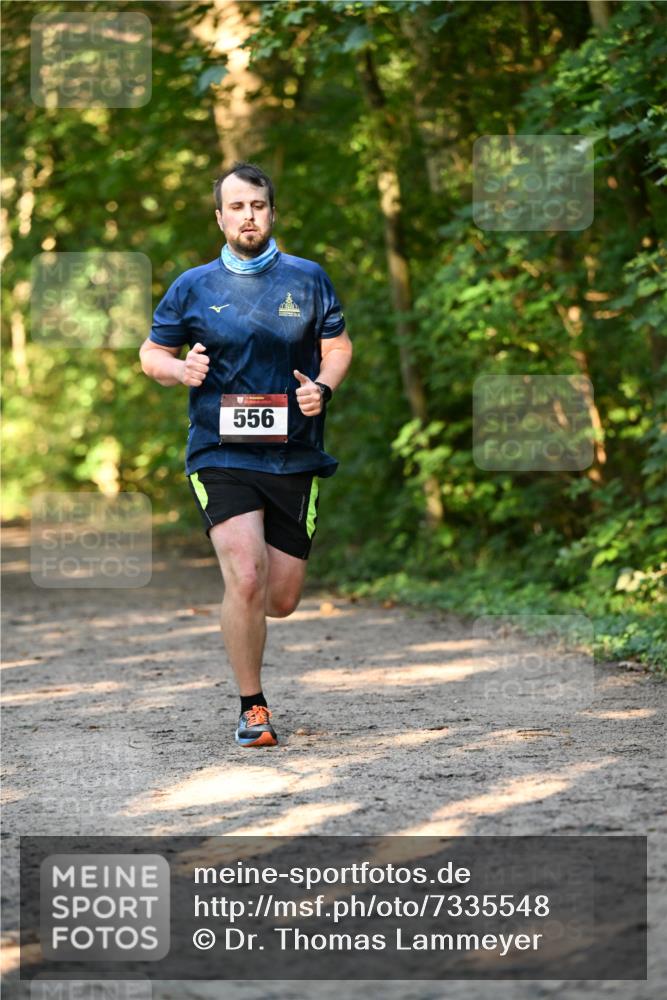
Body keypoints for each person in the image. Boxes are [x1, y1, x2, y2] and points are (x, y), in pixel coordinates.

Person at [139, 162, 353, 748]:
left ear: (272, 212)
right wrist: (180, 368)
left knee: (281, 598)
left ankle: (255, 662)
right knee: (248, 576)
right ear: (220, 217)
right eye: (236, 207)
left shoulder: (308, 279)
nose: (248, 216)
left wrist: (323, 387)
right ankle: (252, 707)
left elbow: (337, 346)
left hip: (294, 455)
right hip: (219, 451)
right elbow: (150, 353)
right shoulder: (193, 285)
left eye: (257, 205)